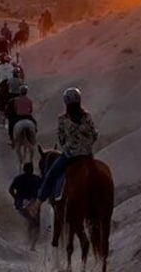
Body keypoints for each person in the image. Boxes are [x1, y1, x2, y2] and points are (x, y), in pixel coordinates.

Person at [26, 87, 97, 216]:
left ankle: (38, 204)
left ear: (66, 102)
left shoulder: (63, 119)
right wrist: (85, 145)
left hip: (71, 156)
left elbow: (62, 140)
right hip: (88, 155)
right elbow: (94, 135)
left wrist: (71, 146)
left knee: (50, 175)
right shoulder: (87, 117)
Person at [9, 163, 43, 250]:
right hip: (33, 203)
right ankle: (32, 243)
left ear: (24, 169)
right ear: (32, 170)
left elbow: (10, 190)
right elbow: (42, 190)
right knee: (35, 223)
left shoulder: (19, 179)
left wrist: (16, 198)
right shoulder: (37, 179)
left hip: (22, 203)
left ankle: (30, 241)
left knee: (30, 221)